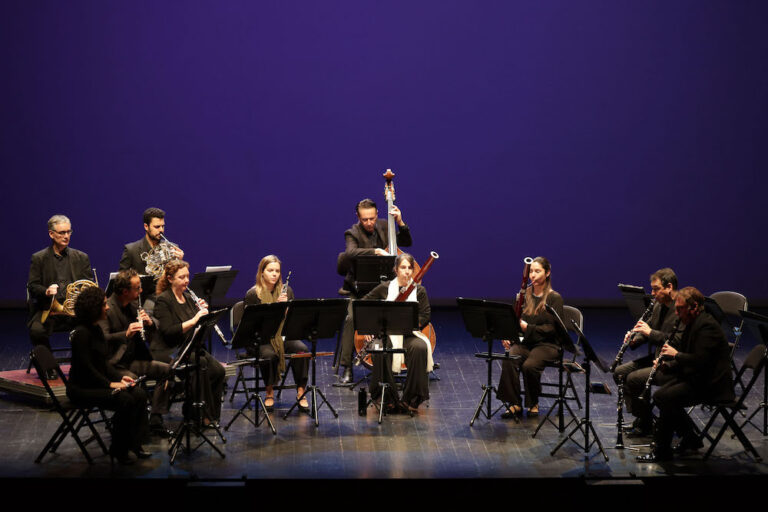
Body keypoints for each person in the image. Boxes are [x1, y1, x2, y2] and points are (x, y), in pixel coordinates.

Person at [637, 286, 734, 462]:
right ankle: (690, 438)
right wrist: (668, 365)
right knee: (661, 397)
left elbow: (700, 360)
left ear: (694, 306)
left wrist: (675, 355)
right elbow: (689, 358)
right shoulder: (691, 322)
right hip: (698, 378)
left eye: (680, 309)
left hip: (713, 385)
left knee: (664, 397)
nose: (676, 312)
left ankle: (662, 451)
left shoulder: (707, 326)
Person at [67, 285, 150, 465]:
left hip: (96, 383)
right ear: (94, 308)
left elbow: (103, 364)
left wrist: (119, 378)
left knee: (139, 394)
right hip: (81, 388)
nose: (107, 307)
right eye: (104, 305)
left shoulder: (96, 329)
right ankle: (119, 450)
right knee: (125, 400)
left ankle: (134, 444)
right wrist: (110, 385)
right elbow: (86, 369)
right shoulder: (81, 334)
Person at [336, 198, 413, 384]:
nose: (369, 223)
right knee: (350, 318)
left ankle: (405, 362)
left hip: (386, 290)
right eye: (365, 220)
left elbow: (407, 243)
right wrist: (376, 252)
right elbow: (350, 253)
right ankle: (347, 367)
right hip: (360, 291)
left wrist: (400, 222)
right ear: (358, 217)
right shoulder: (352, 233)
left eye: (372, 218)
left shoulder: (386, 226)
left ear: (377, 214)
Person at [98, 269, 172, 436]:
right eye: (137, 288)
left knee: (167, 370)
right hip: (114, 364)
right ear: (125, 291)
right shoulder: (107, 309)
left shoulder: (133, 306)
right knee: (133, 382)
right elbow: (102, 339)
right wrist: (125, 334)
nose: (141, 291)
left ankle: (155, 417)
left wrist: (149, 323)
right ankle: (133, 429)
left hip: (133, 359)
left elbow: (154, 330)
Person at [153, 260, 225, 425]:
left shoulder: (188, 297)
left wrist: (204, 315)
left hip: (187, 347)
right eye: (181, 277)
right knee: (201, 364)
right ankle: (200, 415)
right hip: (169, 349)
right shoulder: (163, 300)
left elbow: (198, 329)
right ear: (170, 279)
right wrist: (194, 320)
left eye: (187, 276)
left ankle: (210, 414)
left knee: (218, 371)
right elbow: (168, 332)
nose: (186, 280)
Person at [613, 268, 681, 437]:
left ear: (669, 287)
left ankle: (645, 423)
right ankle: (645, 418)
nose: (653, 293)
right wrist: (634, 339)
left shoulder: (680, 308)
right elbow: (647, 328)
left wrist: (649, 333)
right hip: (656, 357)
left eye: (656, 289)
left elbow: (676, 341)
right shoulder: (658, 305)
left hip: (671, 363)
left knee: (633, 380)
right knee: (619, 373)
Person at [362, 253, 433, 412]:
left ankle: (411, 399)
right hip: (386, 335)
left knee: (420, 347)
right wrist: (368, 327)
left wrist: (412, 324)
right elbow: (364, 304)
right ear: (395, 270)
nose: (407, 271)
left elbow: (425, 315)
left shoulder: (419, 290)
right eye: (403, 267)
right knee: (380, 349)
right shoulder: (384, 288)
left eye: (410, 268)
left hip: (409, 334)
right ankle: (387, 398)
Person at [497, 256, 564, 419]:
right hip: (527, 342)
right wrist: (508, 335)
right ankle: (514, 403)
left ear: (547, 273)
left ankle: (533, 402)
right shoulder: (523, 295)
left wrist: (528, 327)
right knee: (510, 358)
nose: (533, 275)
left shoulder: (554, 298)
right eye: (531, 271)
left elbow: (553, 329)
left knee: (530, 366)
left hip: (548, 345)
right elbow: (514, 320)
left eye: (537, 271)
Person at [244, 255, 309, 412]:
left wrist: (286, 308)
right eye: (270, 270)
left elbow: (291, 321)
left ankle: (301, 392)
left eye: (277, 271)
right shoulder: (253, 294)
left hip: (281, 336)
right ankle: (269, 392)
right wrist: (275, 308)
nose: (274, 274)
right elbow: (250, 326)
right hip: (260, 339)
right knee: (269, 355)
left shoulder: (287, 291)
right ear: (262, 273)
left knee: (302, 350)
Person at [27, 215, 93, 357]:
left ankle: (81, 364)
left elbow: (88, 285)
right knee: (36, 331)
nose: (66, 236)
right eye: (62, 233)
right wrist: (46, 291)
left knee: (97, 327)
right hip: (49, 309)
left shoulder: (82, 257)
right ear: (51, 234)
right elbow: (32, 285)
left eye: (69, 232)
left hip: (75, 311)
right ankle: (49, 364)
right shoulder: (39, 258)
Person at [119, 207, 184, 276]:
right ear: (146, 226)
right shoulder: (131, 250)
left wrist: (179, 262)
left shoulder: (172, 249)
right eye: (157, 227)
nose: (161, 230)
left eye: (163, 226)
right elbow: (121, 281)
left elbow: (177, 280)